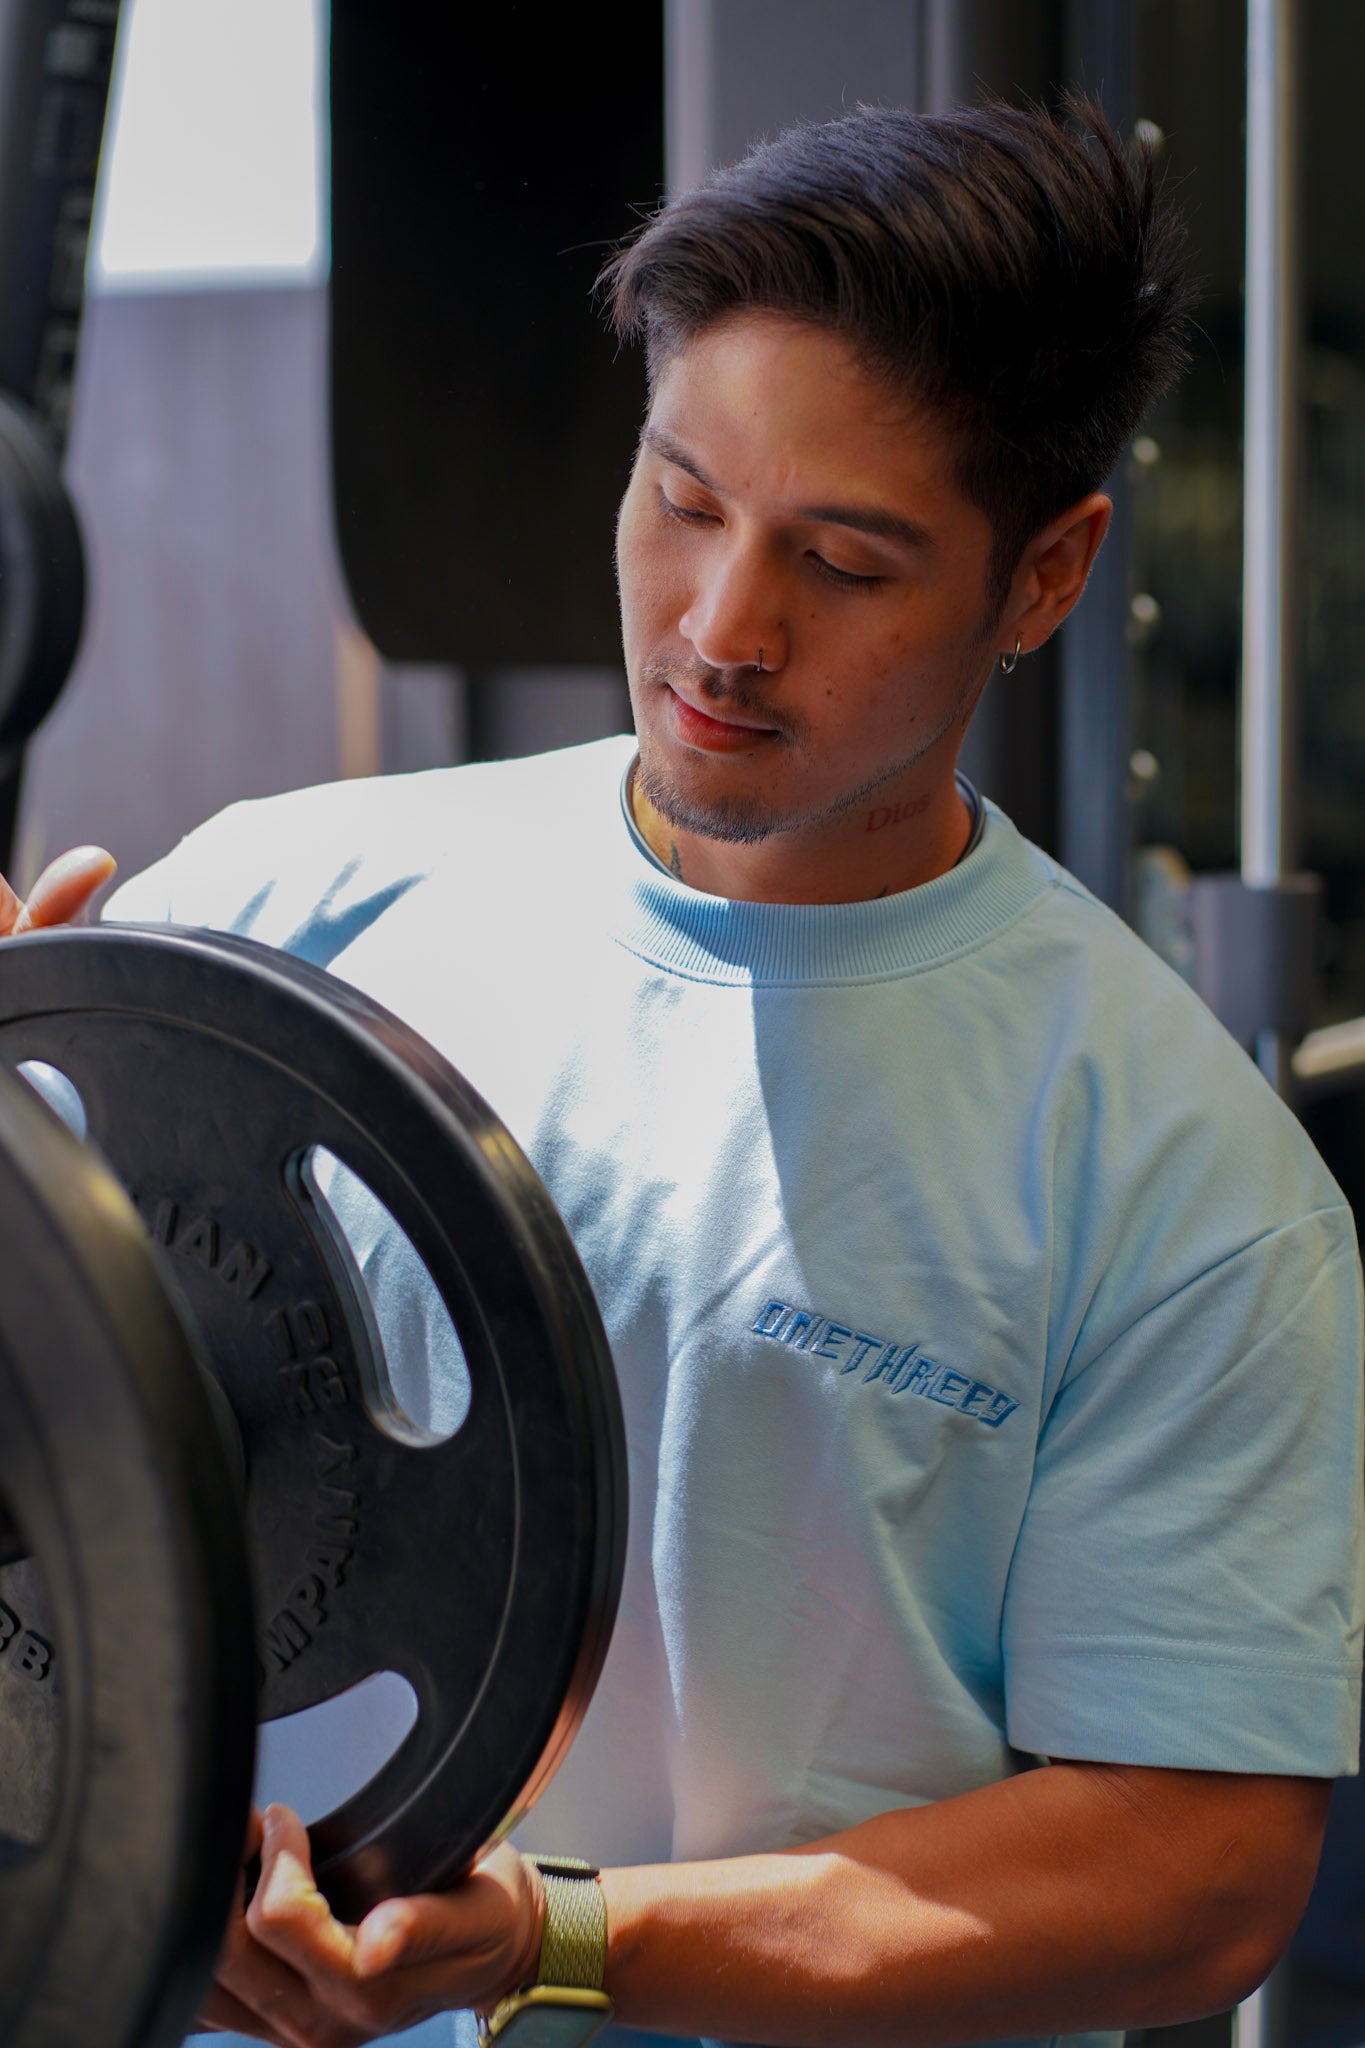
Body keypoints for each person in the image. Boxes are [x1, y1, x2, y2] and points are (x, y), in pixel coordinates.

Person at [9, 96, 1363, 2048]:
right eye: (682, 498)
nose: (723, 627)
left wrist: (562, 1932)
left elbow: (1187, 1868)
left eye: (844, 559)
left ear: (1045, 576)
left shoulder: (1180, 1190)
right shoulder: (280, 899)